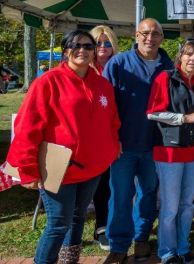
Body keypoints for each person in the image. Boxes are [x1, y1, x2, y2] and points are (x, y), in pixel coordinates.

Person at [6, 30, 120, 264]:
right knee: (58, 224)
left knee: (78, 218)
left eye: (88, 46)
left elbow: (112, 121)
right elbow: (27, 127)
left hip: (92, 168)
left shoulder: (102, 84)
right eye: (76, 46)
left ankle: (70, 260)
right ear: (66, 51)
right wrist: (27, 168)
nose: (83, 51)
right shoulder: (48, 82)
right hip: (59, 168)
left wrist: (111, 148)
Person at [103, 18, 174, 263]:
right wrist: (112, 138)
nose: (149, 38)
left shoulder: (169, 66)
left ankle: (142, 237)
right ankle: (119, 245)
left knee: (148, 194)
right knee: (121, 195)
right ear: (136, 35)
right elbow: (105, 107)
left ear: (162, 38)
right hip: (123, 145)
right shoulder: (118, 64)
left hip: (156, 145)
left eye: (155, 34)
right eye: (145, 33)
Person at [145, 38, 194, 264]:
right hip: (168, 152)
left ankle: (182, 246)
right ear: (180, 56)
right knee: (170, 207)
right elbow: (152, 113)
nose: (192, 58)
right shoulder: (165, 78)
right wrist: (185, 118)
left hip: (192, 152)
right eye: (189, 54)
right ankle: (167, 252)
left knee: (187, 204)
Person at [89, 24, 119, 251]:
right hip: (89, 135)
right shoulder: (83, 68)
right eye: (98, 42)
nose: (102, 47)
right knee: (95, 183)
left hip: (113, 132)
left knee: (110, 183)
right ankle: (99, 226)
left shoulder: (118, 66)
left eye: (107, 43)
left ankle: (107, 225)